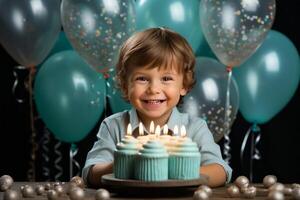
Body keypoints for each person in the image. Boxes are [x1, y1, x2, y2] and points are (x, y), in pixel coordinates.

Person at [82, 27, 232, 188]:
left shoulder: (195, 128)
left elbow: (221, 171)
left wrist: (179, 170)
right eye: (142, 78)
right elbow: (91, 173)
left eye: (166, 78)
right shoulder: (114, 126)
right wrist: (126, 164)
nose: (153, 89)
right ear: (126, 85)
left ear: (184, 85)